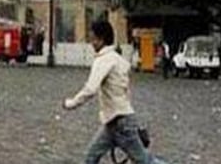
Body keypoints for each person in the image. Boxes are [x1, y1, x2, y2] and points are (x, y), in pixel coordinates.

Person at [63, 20, 167, 164]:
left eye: (93, 39)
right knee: (91, 157)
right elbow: (125, 91)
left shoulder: (103, 60)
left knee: (144, 161)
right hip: (115, 122)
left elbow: (90, 89)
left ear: (102, 39)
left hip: (120, 123)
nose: (92, 43)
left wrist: (71, 103)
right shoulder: (119, 60)